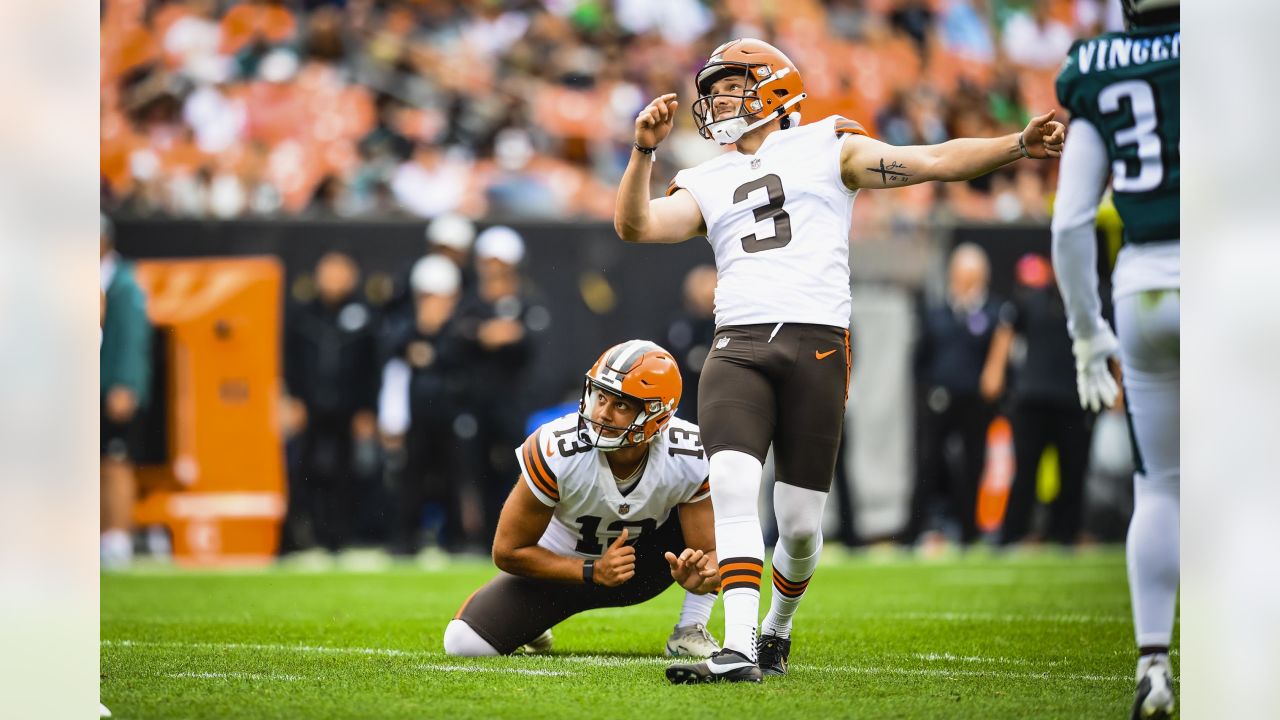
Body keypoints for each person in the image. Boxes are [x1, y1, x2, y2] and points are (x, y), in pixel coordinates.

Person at [612, 38, 1064, 683]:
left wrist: (1016, 145)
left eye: (732, 86)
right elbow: (637, 226)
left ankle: (778, 626)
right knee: (737, 488)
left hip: (815, 345)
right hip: (737, 344)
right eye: (712, 90)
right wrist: (643, 153)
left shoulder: (829, 144)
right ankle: (737, 643)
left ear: (772, 88)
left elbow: (932, 160)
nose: (716, 101)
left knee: (798, 527)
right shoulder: (705, 176)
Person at [1051, 2, 1179, 717]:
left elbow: (1071, 220)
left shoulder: (1097, 65)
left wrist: (1087, 332)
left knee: (1159, 483)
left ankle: (1154, 664)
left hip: (1144, 286)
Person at [444, 340, 722, 658]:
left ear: (656, 415)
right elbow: (508, 551)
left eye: (621, 405)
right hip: (559, 569)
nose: (602, 412)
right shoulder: (557, 450)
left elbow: (711, 550)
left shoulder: (688, 453)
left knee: (736, 518)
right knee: (464, 644)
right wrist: (591, 569)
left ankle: (690, 627)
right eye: (600, 396)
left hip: (645, 567)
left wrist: (703, 575)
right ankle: (534, 622)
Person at [904, 243, 1006, 548]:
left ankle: (969, 531)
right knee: (928, 463)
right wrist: (926, 392)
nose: (964, 282)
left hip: (974, 402)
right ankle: (916, 530)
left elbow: (999, 362)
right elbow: (919, 358)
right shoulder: (937, 313)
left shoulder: (994, 313)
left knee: (973, 464)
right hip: (939, 400)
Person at [988, 254, 1094, 547]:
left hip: (1073, 398)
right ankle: (1012, 534)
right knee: (1025, 470)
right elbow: (1006, 332)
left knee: (1073, 471)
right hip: (1033, 397)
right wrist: (994, 370)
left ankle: (1065, 533)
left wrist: (1117, 383)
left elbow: (1109, 341)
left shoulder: (1089, 302)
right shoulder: (1031, 299)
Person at [282, 251, 379, 554]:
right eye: (329, 272)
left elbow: (373, 366)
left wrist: (367, 409)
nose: (334, 280)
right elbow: (290, 359)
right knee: (303, 470)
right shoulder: (303, 314)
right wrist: (292, 398)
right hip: (309, 406)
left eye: (341, 272)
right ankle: (305, 536)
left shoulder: (364, 315)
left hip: (348, 408)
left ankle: (340, 538)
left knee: (346, 473)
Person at [379, 255, 471, 554]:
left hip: (451, 414)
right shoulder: (405, 325)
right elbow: (391, 350)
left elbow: (460, 360)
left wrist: (430, 349)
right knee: (411, 477)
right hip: (417, 416)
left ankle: (456, 539)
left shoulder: (461, 327)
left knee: (453, 478)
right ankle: (406, 539)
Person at [100, 213, 153, 569]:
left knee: (115, 460)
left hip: (111, 385)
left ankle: (117, 537)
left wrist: (126, 384)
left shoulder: (124, 283)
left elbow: (133, 339)